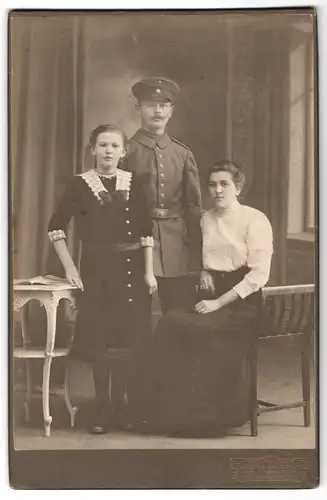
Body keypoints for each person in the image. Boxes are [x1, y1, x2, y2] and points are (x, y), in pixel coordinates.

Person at [138, 160, 274, 437]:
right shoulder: (206, 218)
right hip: (211, 291)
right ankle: (168, 414)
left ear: (238, 187)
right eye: (212, 184)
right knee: (170, 323)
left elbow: (258, 275)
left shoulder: (254, 219)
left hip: (242, 301)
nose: (218, 190)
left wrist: (218, 302)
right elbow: (204, 251)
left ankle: (211, 419)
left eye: (224, 184)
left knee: (201, 330)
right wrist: (204, 270)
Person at [47, 124, 157, 434]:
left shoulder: (137, 183)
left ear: (124, 151)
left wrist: (149, 272)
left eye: (114, 146)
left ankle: (121, 406)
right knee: (101, 341)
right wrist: (70, 267)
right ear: (92, 149)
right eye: (102, 145)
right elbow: (56, 227)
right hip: (97, 271)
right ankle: (101, 407)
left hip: (134, 270)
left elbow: (146, 230)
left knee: (125, 340)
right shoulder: (79, 185)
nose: (108, 151)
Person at [123, 77, 202, 314]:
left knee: (178, 311)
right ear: (138, 109)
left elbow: (193, 208)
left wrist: (195, 256)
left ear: (171, 111)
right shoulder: (125, 151)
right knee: (135, 312)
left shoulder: (182, 154)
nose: (157, 111)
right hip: (135, 241)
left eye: (163, 105)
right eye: (150, 104)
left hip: (176, 244)